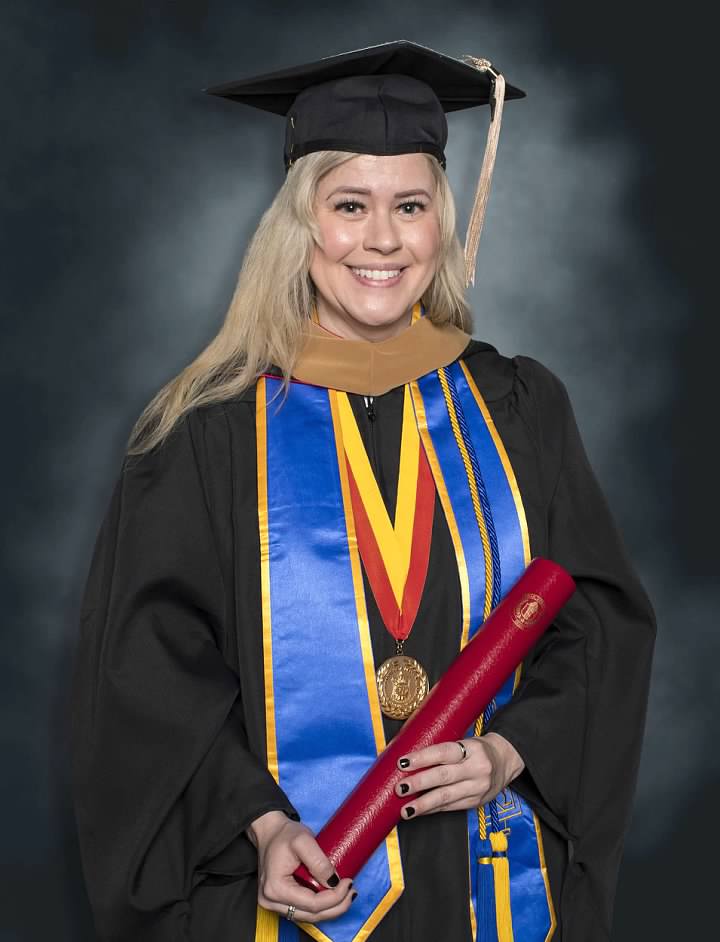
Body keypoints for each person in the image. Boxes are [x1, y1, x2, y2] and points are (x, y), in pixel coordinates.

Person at [69, 41, 656, 942]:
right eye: (350, 205)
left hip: (487, 890)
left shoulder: (517, 405)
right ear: (300, 227)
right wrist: (261, 825)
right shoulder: (208, 433)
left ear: (440, 226)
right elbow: (149, 678)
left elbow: (599, 628)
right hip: (302, 885)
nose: (382, 239)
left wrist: (508, 753)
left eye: (410, 206)